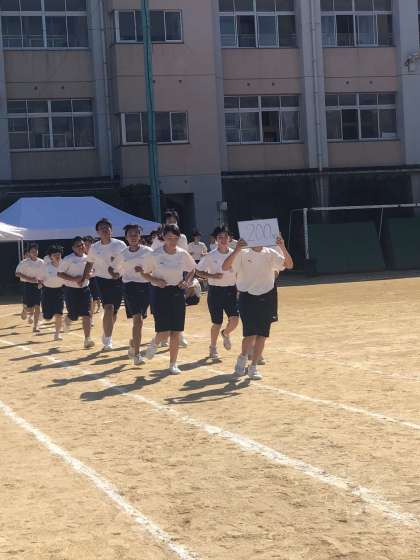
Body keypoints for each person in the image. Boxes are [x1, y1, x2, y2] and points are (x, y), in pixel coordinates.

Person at [222, 234, 293, 380]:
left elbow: (289, 264)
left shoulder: (270, 252)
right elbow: (225, 266)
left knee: (262, 334)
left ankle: (253, 367)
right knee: (250, 334)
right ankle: (242, 359)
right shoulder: (242, 253)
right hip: (247, 297)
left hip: (267, 297)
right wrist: (237, 250)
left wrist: (282, 246)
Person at [141, 224, 196, 375]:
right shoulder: (155, 254)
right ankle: (154, 343)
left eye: (175, 238)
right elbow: (144, 273)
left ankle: (173, 364)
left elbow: (192, 268)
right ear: (163, 237)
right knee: (164, 331)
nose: (172, 241)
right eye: (169, 238)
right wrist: (156, 280)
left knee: (176, 331)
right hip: (160, 292)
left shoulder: (182, 253)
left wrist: (186, 281)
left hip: (177, 292)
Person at [110, 224, 153, 366]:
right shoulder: (123, 253)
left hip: (145, 286)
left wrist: (144, 271)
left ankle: (133, 344)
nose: (133, 237)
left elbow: (156, 267)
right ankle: (137, 355)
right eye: (130, 235)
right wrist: (114, 275)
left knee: (140, 321)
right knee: (138, 320)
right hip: (129, 287)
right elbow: (112, 268)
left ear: (140, 236)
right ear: (126, 237)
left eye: (136, 234)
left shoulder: (148, 251)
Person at [81, 218, 126, 351]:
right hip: (101, 280)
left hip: (118, 280)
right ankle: (108, 340)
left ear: (111, 230)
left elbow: (127, 260)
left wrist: (120, 273)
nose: (105, 230)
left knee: (114, 312)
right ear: (98, 232)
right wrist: (84, 278)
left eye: (107, 228)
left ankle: (106, 333)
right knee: (108, 308)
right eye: (102, 228)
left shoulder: (120, 244)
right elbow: (89, 263)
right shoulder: (94, 247)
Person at [196, 226, 239, 360]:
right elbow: (198, 271)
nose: (223, 239)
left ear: (230, 239)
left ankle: (225, 333)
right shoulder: (210, 255)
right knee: (217, 322)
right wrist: (212, 276)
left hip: (231, 290)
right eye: (220, 237)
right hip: (215, 291)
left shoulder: (235, 254)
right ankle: (213, 347)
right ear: (216, 240)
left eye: (226, 237)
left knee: (235, 320)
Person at [151, 209, 189, 347]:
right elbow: (151, 258)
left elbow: (186, 258)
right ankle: (163, 336)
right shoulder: (158, 239)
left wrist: (186, 279)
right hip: (161, 278)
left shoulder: (182, 238)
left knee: (178, 307)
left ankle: (179, 334)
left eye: (174, 221)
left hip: (178, 276)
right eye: (169, 221)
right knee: (162, 309)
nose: (172, 223)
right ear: (164, 223)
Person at [57, 237, 94, 349]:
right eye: (78, 245)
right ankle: (68, 319)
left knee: (87, 313)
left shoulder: (88, 258)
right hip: (71, 290)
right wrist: (74, 279)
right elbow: (59, 273)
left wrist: (89, 275)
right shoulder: (68, 259)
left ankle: (87, 339)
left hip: (85, 289)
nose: (81, 247)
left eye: (83, 244)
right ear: (73, 248)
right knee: (74, 315)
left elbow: (92, 271)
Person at [15, 243, 44, 333]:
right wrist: (29, 278)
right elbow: (17, 273)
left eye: (36, 251)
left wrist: (42, 281)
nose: (34, 253)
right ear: (29, 252)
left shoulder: (41, 262)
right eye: (32, 251)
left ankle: (35, 326)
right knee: (30, 309)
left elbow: (45, 274)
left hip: (37, 286)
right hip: (27, 285)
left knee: (37, 306)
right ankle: (25, 309)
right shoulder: (24, 262)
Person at [39, 244, 65, 341]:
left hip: (59, 291)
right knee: (47, 318)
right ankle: (43, 315)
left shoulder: (64, 266)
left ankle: (57, 334)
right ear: (50, 257)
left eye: (59, 254)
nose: (57, 256)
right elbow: (40, 278)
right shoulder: (46, 267)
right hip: (47, 292)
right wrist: (40, 283)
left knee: (59, 313)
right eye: (55, 255)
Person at [83, 236, 101, 316]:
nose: (87, 247)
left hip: (94, 279)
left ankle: (91, 315)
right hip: (84, 279)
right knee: (88, 298)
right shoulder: (81, 256)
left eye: (89, 245)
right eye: (85, 245)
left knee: (94, 297)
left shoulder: (97, 255)